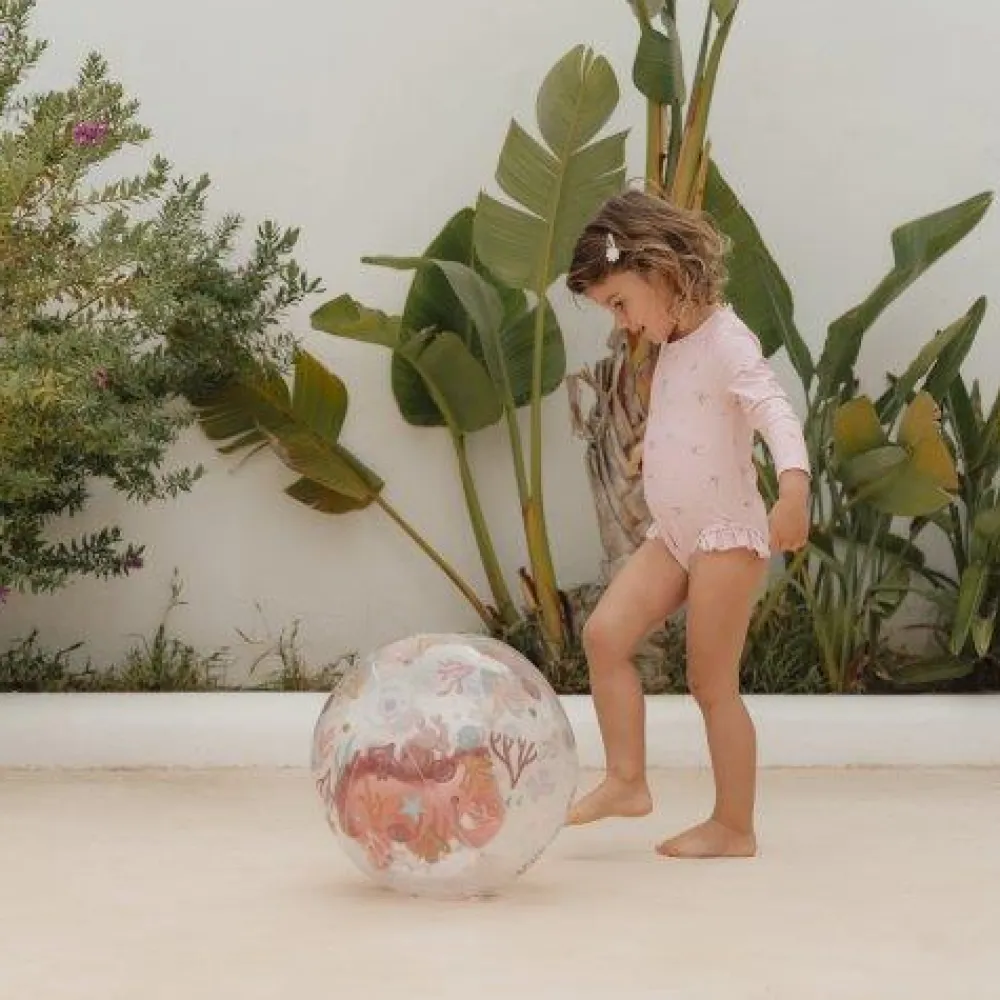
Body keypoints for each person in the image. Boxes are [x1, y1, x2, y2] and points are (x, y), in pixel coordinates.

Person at [564, 188, 810, 858]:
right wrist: (660, 453)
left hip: (725, 536)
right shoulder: (671, 342)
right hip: (674, 535)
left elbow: (771, 409)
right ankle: (627, 780)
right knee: (604, 636)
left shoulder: (728, 340)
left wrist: (793, 486)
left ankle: (733, 825)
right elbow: (692, 420)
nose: (620, 322)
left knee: (711, 683)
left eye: (620, 302)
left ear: (659, 268)